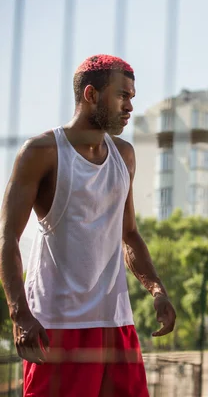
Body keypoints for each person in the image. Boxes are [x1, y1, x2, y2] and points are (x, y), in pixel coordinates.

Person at [0, 54, 176, 396]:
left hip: (116, 323)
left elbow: (129, 235)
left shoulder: (123, 155)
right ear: (91, 95)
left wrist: (157, 290)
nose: (129, 107)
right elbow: (7, 237)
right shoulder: (41, 152)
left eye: (132, 98)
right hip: (58, 326)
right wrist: (20, 314)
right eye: (122, 96)